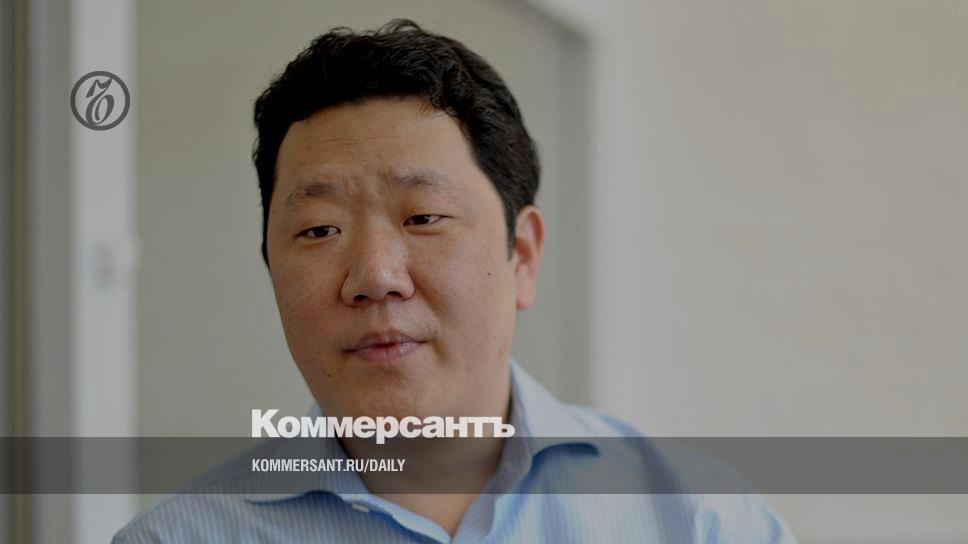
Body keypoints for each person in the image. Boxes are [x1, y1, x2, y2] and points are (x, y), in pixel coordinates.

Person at [114, 19, 796, 543]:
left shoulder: (701, 521)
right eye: (319, 229)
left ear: (521, 255)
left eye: (424, 217)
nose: (375, 277)